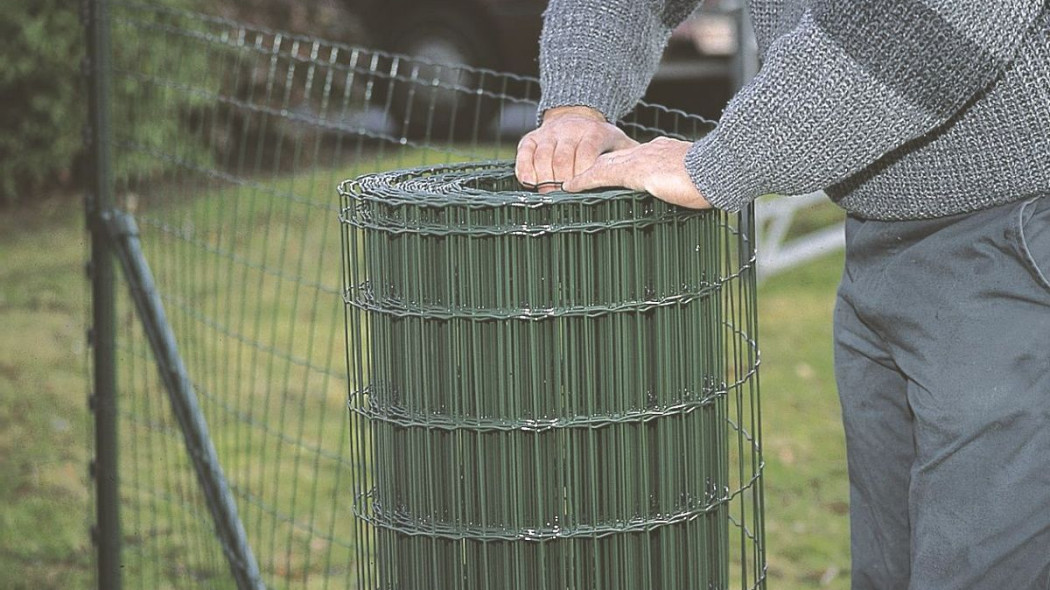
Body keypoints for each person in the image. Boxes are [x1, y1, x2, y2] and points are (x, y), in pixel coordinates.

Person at [515, 1, 1050, 588]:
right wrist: (576, 103)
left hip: (1015, 239)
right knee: (892, 568)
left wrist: (719, 163)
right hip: (882, 238)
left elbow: (923, 19)